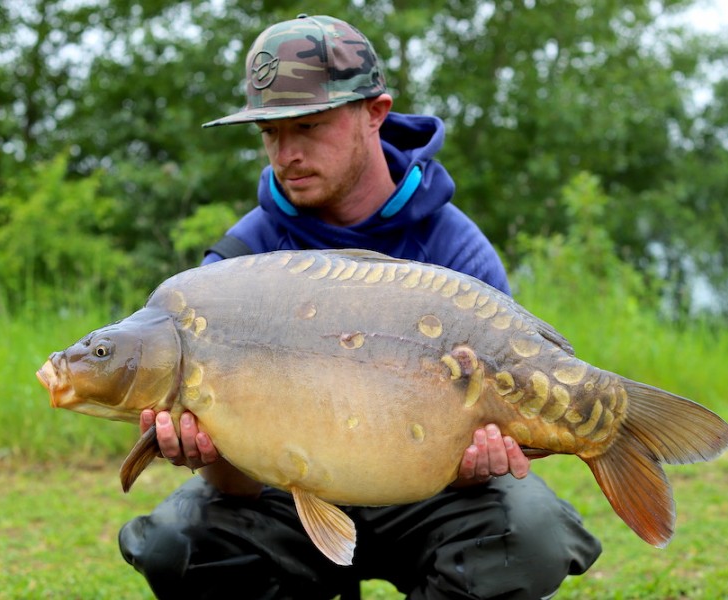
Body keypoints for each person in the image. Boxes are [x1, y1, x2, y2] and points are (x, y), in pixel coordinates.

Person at [118, 14, 601, 600]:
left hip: (428, 493)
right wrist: (205, 455)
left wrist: (485, 457)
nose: (287, 153)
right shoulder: (236, 266)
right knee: (177, 545)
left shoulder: (456, 252)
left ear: (375, 112)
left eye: (309, 126)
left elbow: (505, 416)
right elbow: (235, 484)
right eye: (271, 133)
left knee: (535, 534)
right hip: (284, 495)